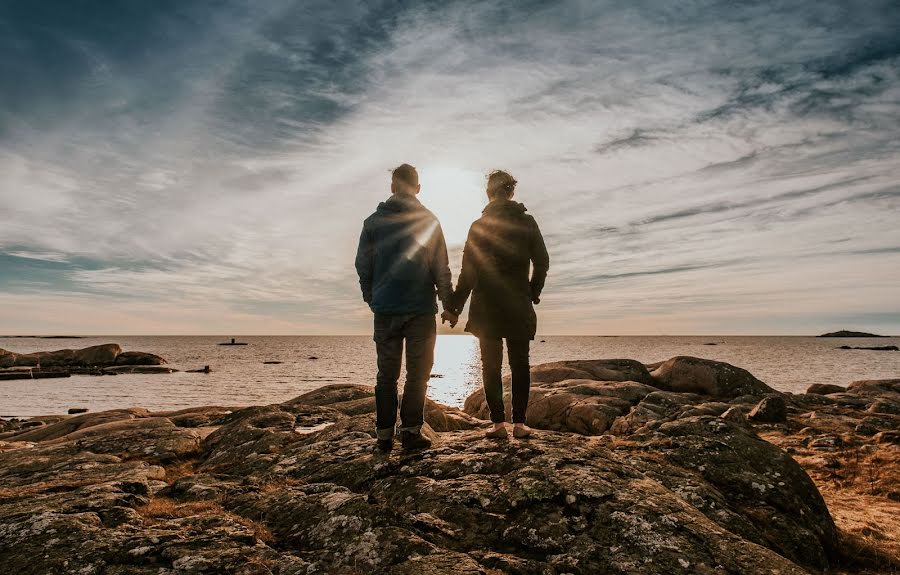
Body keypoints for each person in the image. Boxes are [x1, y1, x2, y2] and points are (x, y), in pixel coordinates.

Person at [355, 164, 458, 453]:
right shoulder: (428, 220)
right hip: (420, 310)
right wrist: (448, 304)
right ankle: (411, 433)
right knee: (418, 374)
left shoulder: (372, 222)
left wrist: (371, 297)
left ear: (392, 187)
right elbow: (442, 268)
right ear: (418, 188)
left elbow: (363, 266)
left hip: (385, 309)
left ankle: (384, 436)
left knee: (386, 376)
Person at [451, 170, 549, 439]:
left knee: (490, 366)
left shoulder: (478, 226)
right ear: (511, 192)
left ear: (488, 193)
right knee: (520, 365)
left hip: (487, 307)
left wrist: (455, 306)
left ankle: (497, 425)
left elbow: (468, 272)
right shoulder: (527, 222)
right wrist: (532, 291)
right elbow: (542, 261)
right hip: (518, 302)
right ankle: (519, 424)